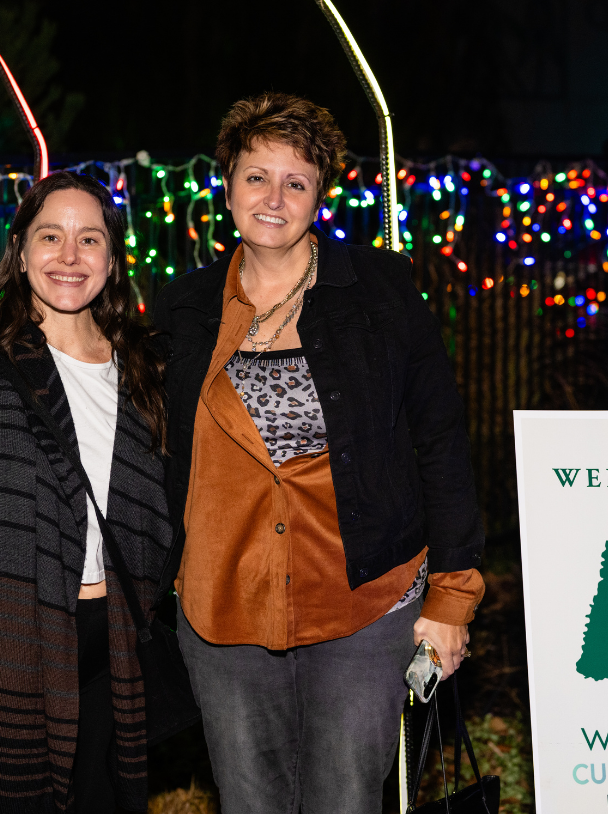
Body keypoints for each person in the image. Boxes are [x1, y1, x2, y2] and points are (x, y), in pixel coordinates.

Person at [153, 92, 486, 813]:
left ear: (319, 197)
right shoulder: (181, 309)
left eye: (295, 182)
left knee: (345, 800)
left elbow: (440, 444)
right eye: (256, 176)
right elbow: (148, 446)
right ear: (228, 184)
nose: (273, 197)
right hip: (224, 609)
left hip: (363, 605)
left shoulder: (382, 294)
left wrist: (452, 600)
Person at [0, 171, 173, 814]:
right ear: (21, 252)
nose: (69, 256)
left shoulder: (144, 370)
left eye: (89, 239)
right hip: (16, 636)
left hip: (117, 637)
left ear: (112, 261)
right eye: (50, 236)